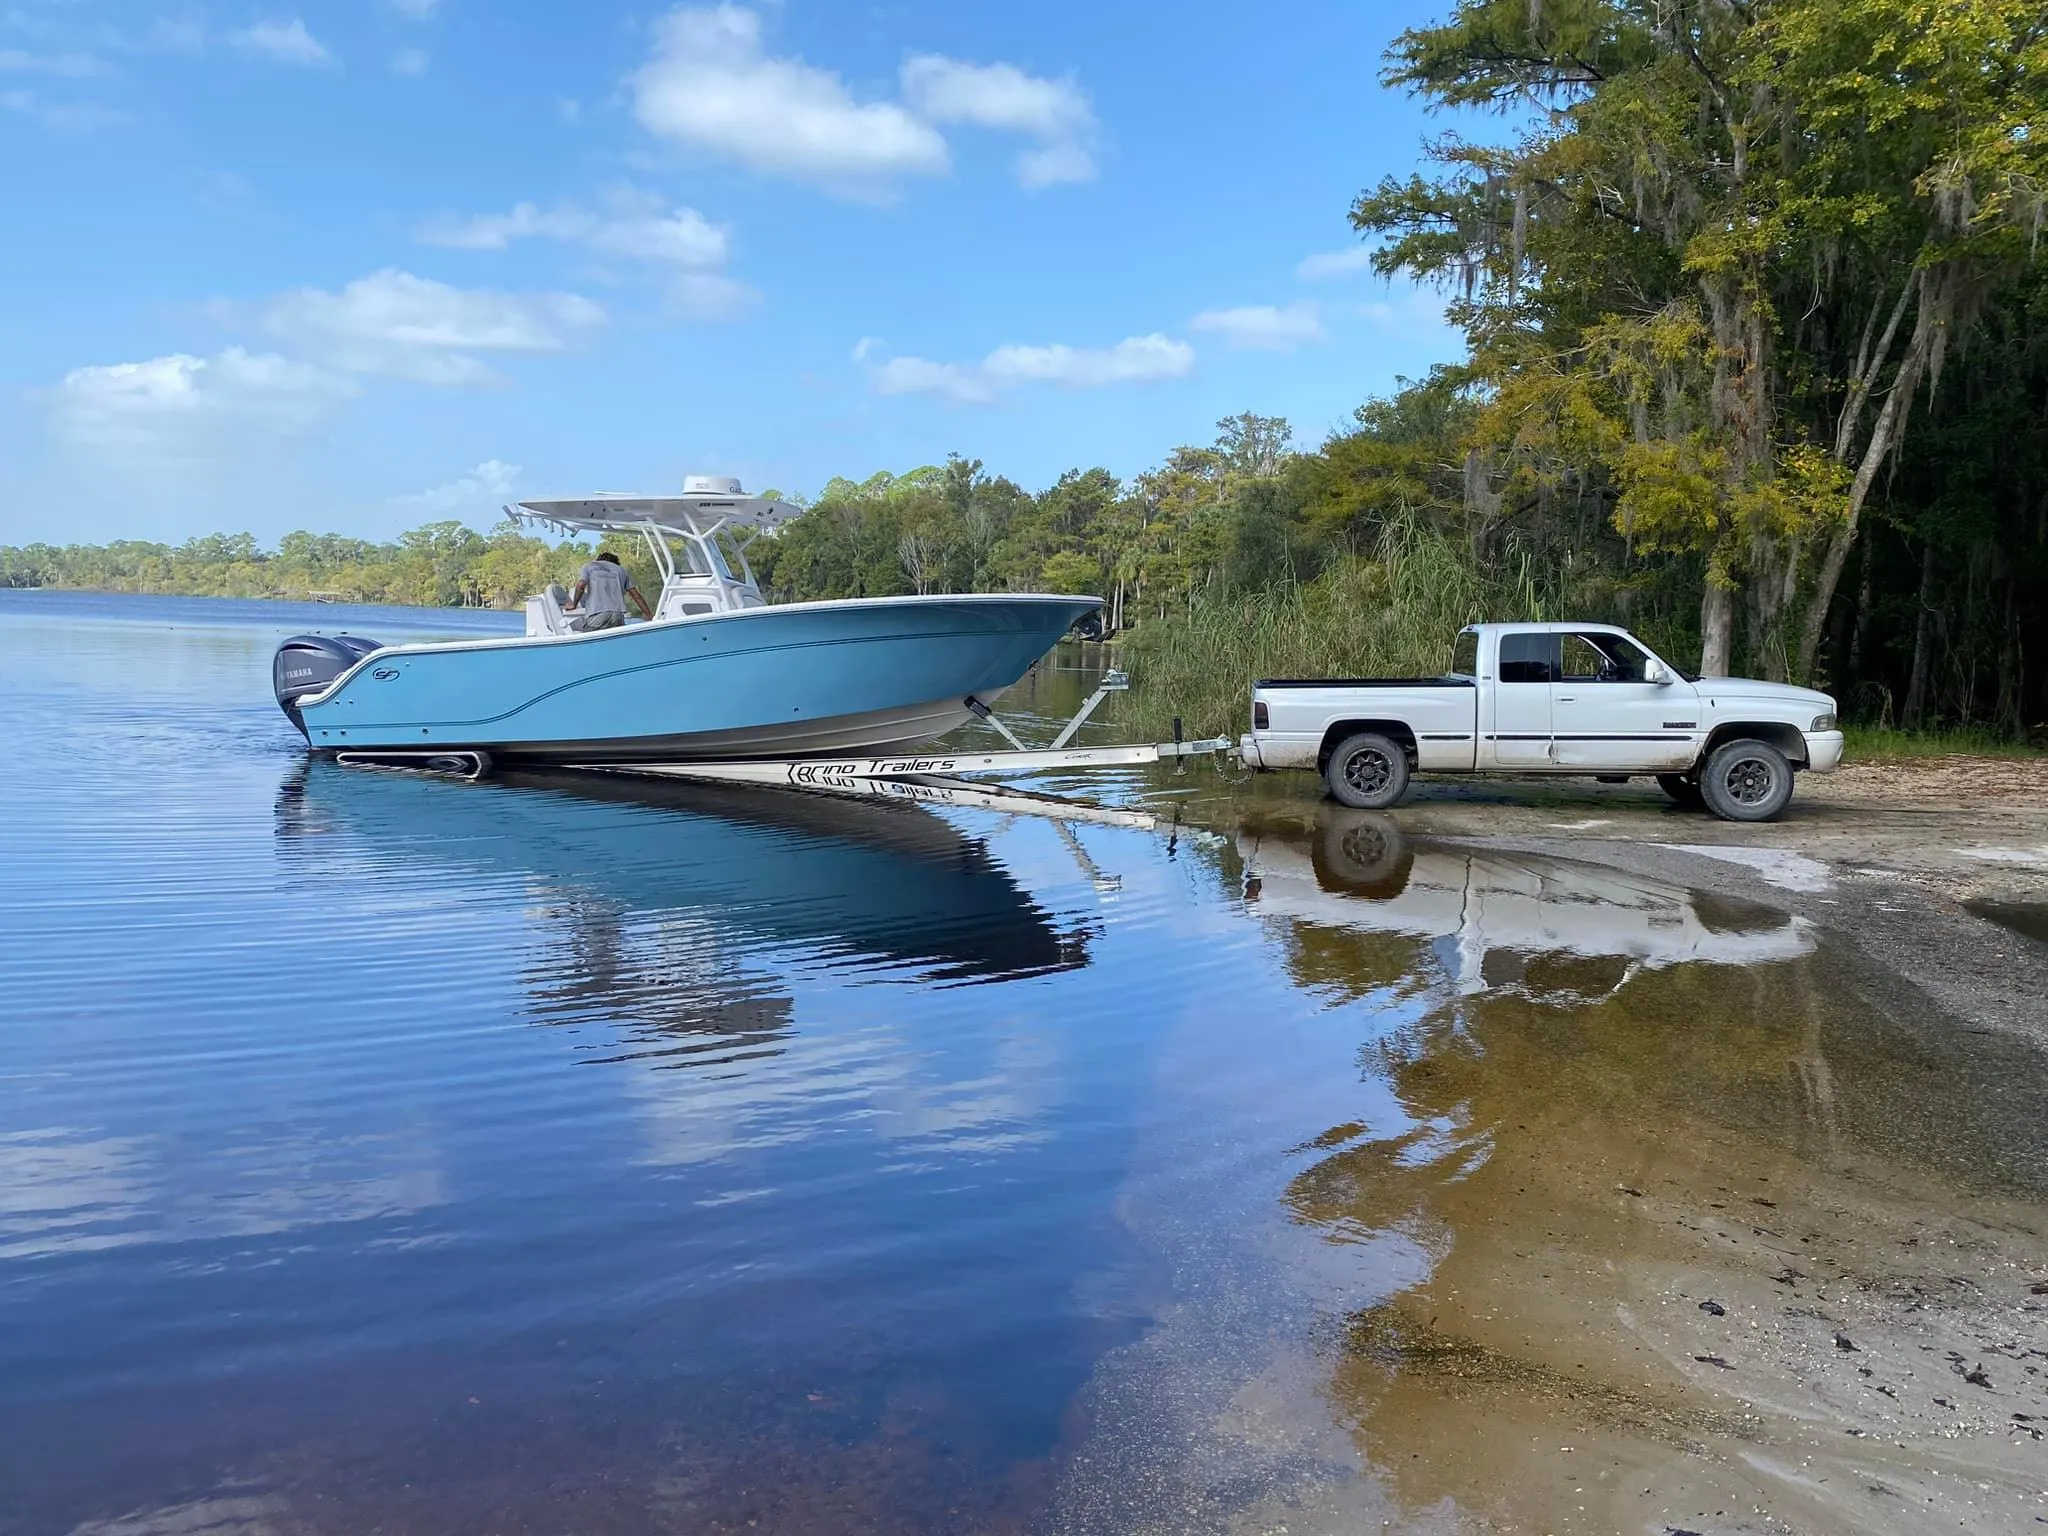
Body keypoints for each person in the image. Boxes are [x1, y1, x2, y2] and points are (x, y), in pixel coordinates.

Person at [569, 551, 653, 630]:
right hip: (617, 616)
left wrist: (574, 605)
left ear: (599, 559)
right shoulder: (621, 570)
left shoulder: (589, 566)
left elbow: (580, 585)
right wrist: (649, 615)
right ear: (615, 562)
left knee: (574, 628)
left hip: (596, 615)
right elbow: (636, 596)